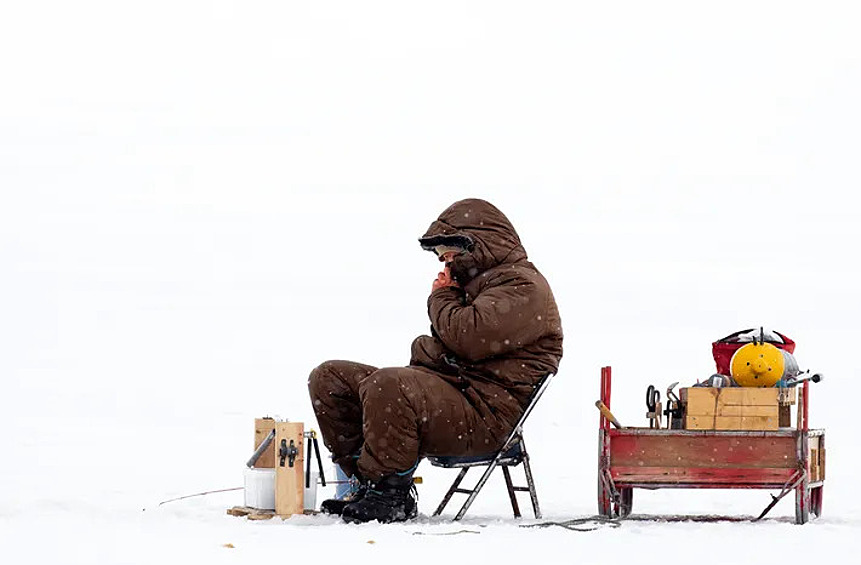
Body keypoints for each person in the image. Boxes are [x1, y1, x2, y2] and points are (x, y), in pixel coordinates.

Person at [308, 198, 563, 523]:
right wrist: (433, 346)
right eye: (442, 258)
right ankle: (366, 482)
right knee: (330, 379)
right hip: (455, 394)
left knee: (389, 384)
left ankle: (391, 493)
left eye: (450, 256)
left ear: (477, 246)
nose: (445, 265)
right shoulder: (477, 287)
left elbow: (465, 337)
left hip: (484, 415)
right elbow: (450, 346)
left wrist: (441, 297)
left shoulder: (523, 287)